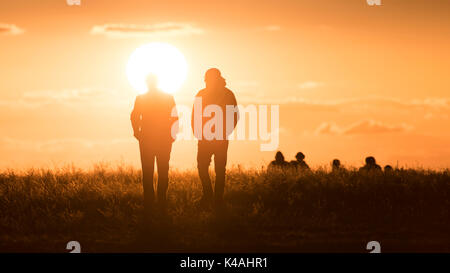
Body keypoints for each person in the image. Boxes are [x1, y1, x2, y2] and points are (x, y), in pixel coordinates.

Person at [131, 74, 178, 215]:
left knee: (148, 171)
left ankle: (150, 203)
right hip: (162, 139)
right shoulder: (168, 98)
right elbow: (175, 117)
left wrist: (137, 132)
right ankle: (160, 202)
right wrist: (172, 134)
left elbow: (134, 116)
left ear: (147, 83)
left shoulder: (141, 98)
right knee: (163, 171)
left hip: (147, 139)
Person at [191, 68, 239, 209]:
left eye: (207, 78)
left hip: (218, 138)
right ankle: (210, 196)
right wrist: (197, 132)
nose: (206, 81)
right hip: (206, 138)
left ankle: (216, 199)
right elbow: (195, 115)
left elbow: (234, 116)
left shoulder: (227, 94)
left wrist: (225, 132)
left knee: (218, 169)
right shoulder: (203, 94)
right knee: (203, 168)